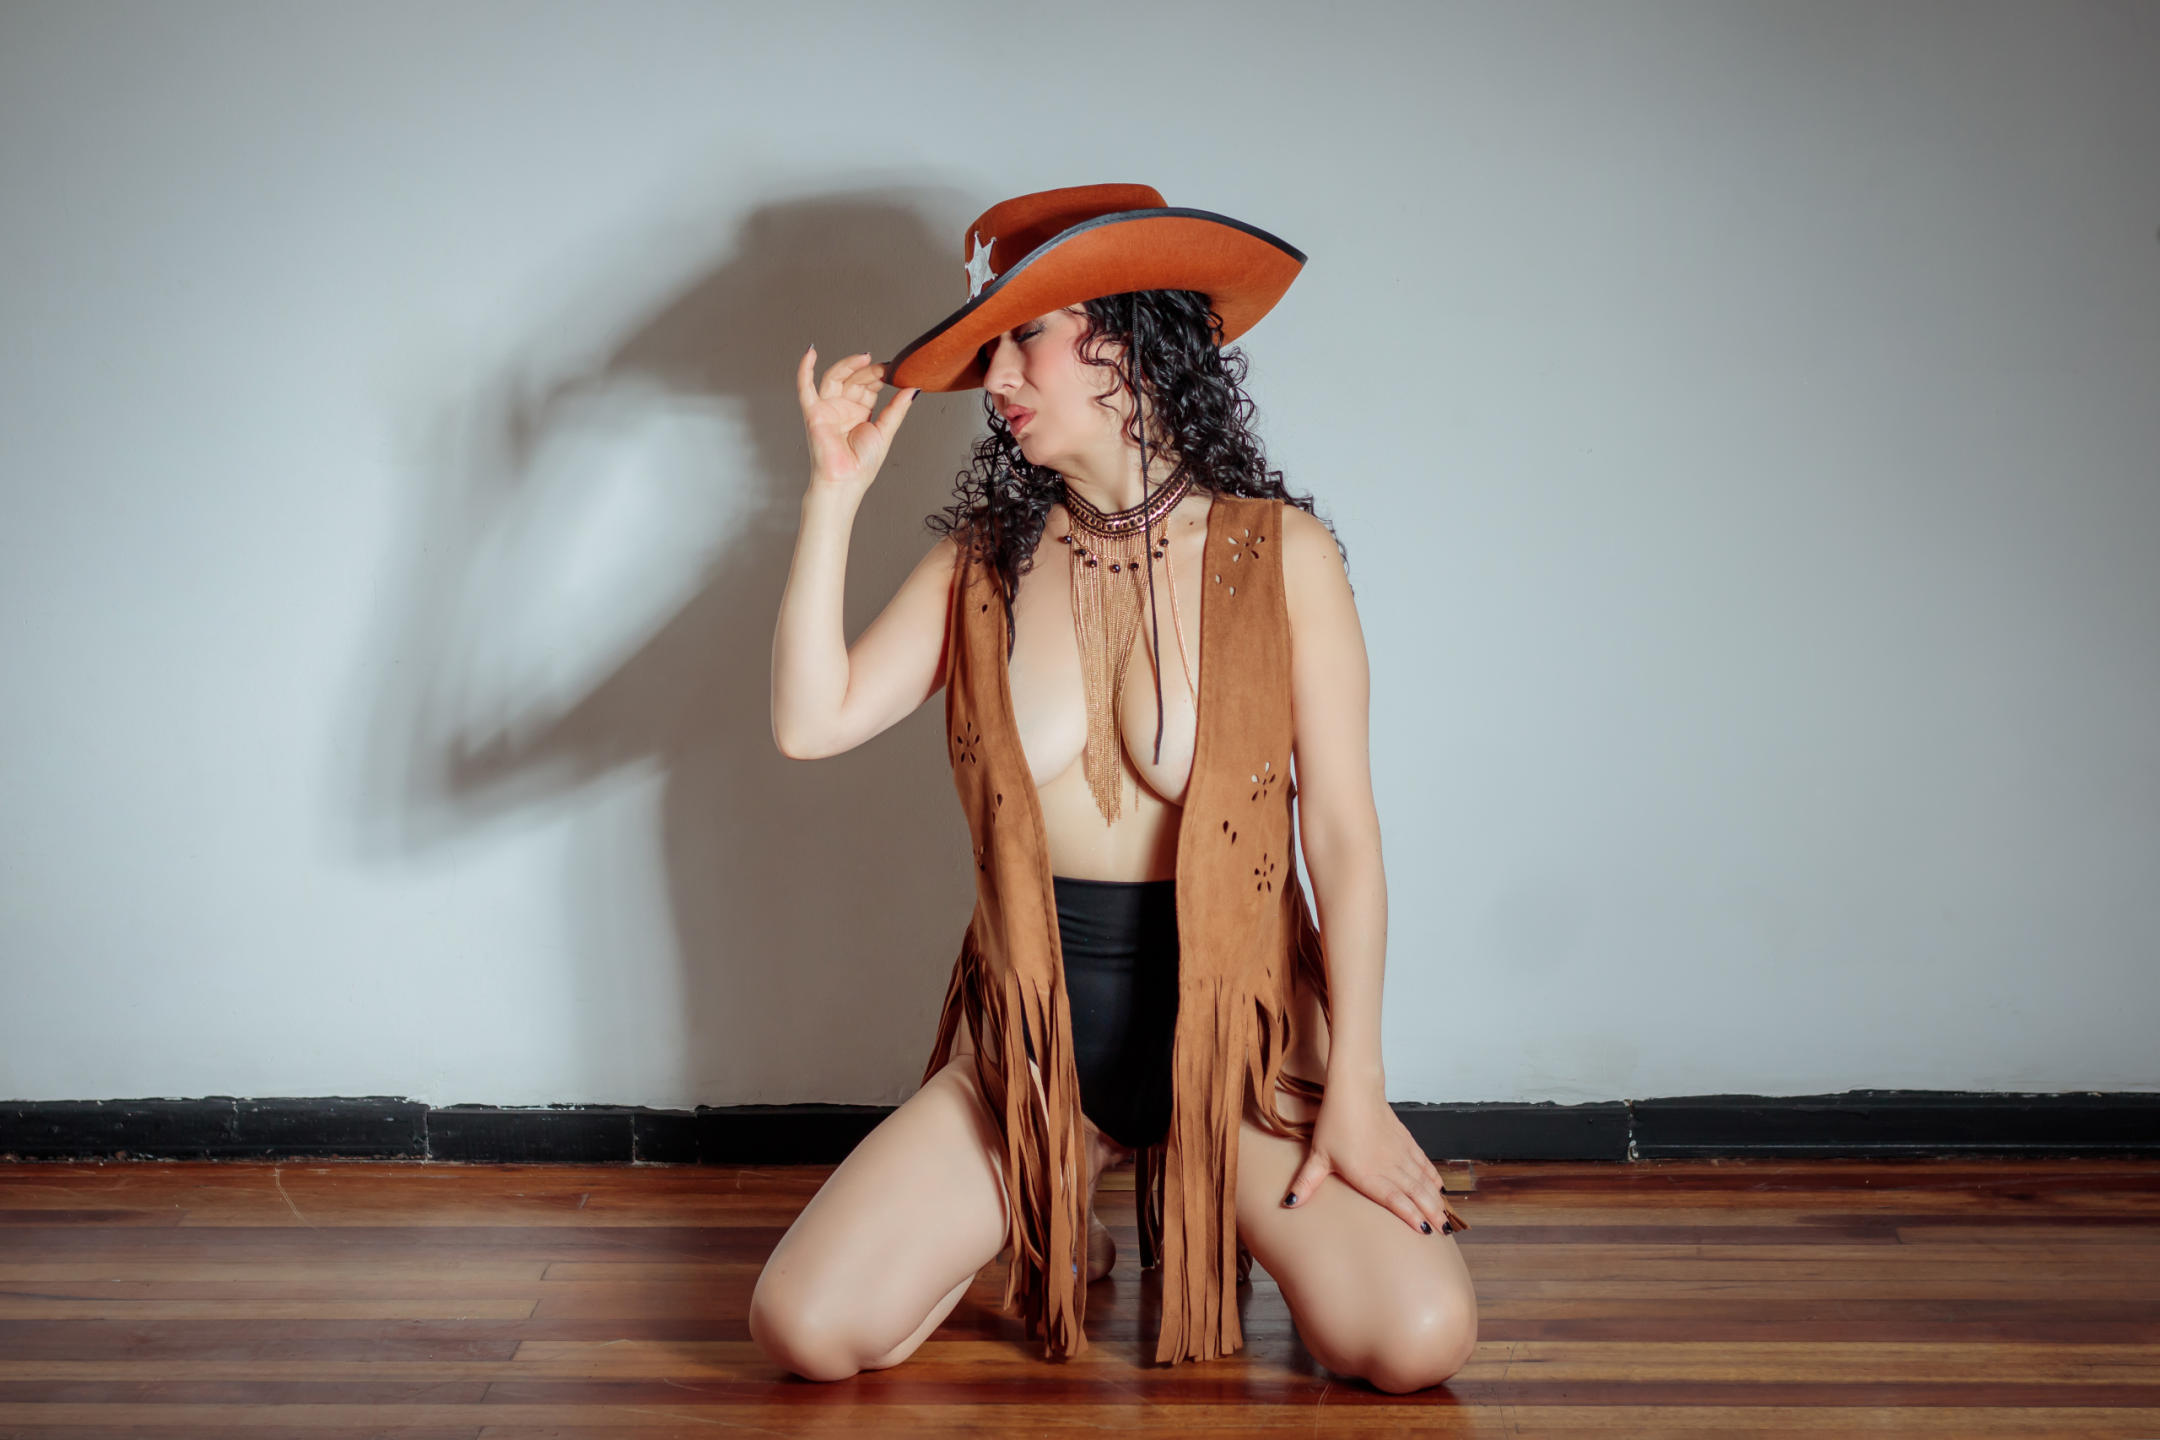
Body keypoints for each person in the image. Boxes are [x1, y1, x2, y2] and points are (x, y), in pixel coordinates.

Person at [755, 185, 1475, 1391]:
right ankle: (1060, 1175)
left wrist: (1356, 1085)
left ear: (1131, 342)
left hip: (1241, 1053)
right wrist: (832, 495)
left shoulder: (1283, 556)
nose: (996, 377)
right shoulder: (983, 563)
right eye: (990, 347)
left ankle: (1194, 1173)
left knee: (1415, 1341)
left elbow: (1345, 840)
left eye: (1025, 336)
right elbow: (809, 722)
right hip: (1035, 1055)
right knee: (805, 1329)